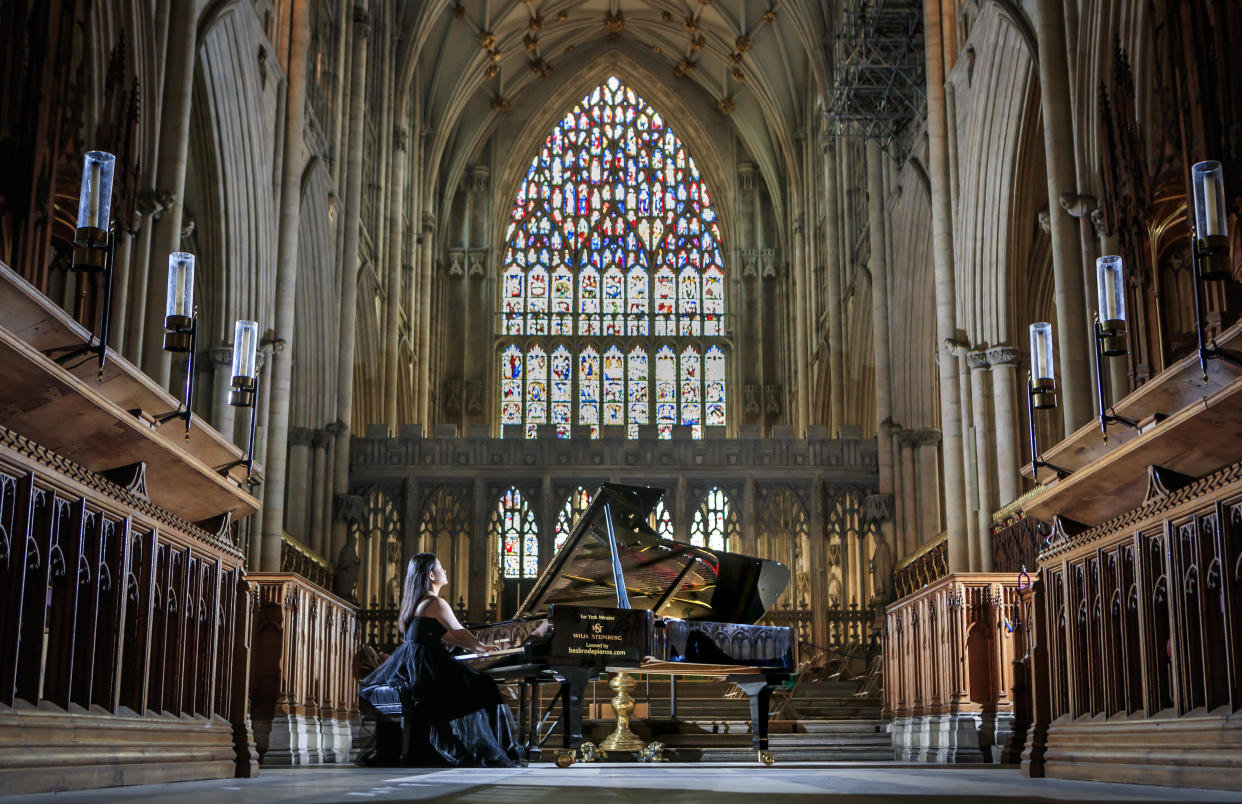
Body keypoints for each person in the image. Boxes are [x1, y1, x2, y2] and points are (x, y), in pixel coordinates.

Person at [358, 553, 524, 767]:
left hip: (417, 671)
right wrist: (481, 647)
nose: (445, 571)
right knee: (486, 688)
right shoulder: (436, 602)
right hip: (429, 673)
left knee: (477, 686)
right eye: (441, 567)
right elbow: (460, 632)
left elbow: (449, 636)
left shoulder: (417, 603)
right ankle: (492, 751)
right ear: (431, 575)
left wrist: (477, 647)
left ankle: (478, 747)